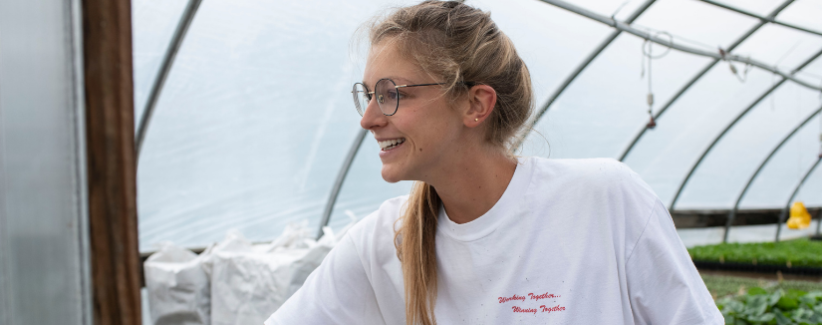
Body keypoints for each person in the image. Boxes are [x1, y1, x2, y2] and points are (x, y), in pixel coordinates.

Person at [266, 1, 722, 324]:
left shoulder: (603, 200)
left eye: (390, 95)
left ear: (474, 105)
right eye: (367, 96)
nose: (367, 119)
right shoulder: (382, 244)